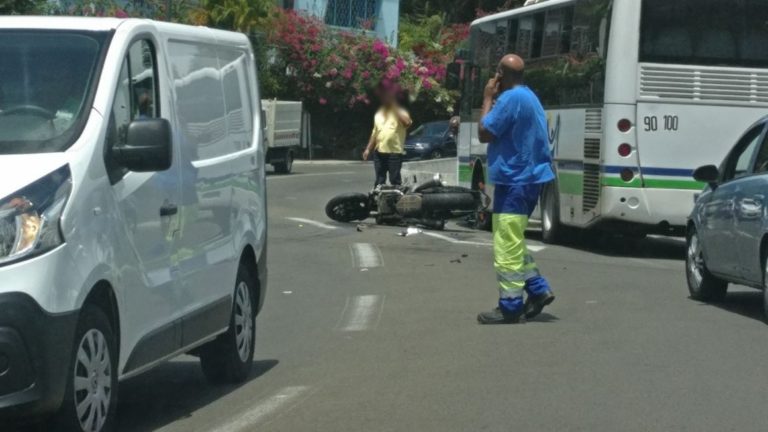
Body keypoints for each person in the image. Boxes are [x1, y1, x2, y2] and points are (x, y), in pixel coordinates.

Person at [476, 54, 556, 325]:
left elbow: (484, 131)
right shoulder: (529, 96)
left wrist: (488, 98)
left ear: (500, 74)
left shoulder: (509, 99)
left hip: (515, 180)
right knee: (512, 239)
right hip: (529, 178)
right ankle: (537, 288)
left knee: (506, 243)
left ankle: (510, 305)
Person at [362, 85, 412, 187]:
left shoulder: (401, 113)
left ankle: (395, 200)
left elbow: (407, 123)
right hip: (379, 152)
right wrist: (368, 149)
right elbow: (375, 133)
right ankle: (379, 199)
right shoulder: (378, 114)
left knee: (395, 181)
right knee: (380, 180)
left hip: (394, 153)